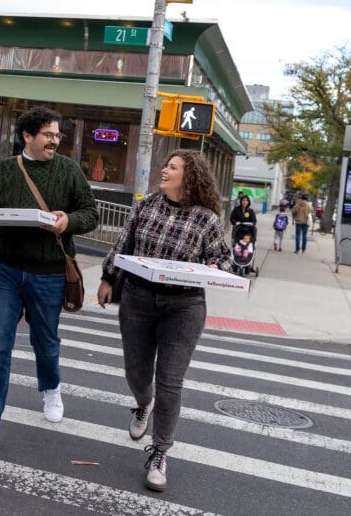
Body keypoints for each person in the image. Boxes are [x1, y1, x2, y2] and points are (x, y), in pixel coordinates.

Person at [0, 105, 99, 456]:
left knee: (46, 343)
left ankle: (51, 387)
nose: (55, 141)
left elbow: (91, 213)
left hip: (49, 272)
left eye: (57, 136)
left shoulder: (68, 171)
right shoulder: (5, 169)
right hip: (5, 269)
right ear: (28, 136)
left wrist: (68, 221)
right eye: (49, 135)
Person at [95, 149, 231, 492]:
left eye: (172, 167)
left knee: (170, 382)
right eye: (166, 166)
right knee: (137, 373)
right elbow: (123, 243)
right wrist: (108, 278)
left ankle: (159, 452)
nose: (164, 171)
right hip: (138, 300)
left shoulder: (206, 219)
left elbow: (225, 261)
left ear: (189, 177)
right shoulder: (147, 205)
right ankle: (143, 404)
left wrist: (215, 268)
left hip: (184, 307)